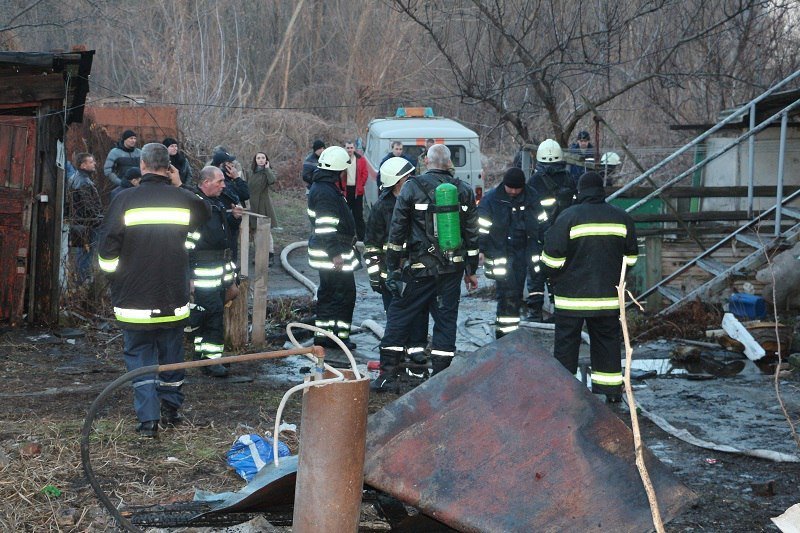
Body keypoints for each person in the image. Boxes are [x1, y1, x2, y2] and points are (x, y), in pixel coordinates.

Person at [97, 143, 210, 438]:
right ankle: (171, 409)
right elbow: (205, 211)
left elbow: (107, 248)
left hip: (134, 298)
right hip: (172, 296)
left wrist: (115, 278)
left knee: (140, 355)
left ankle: (148, 420)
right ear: (168, 167)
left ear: (143, 165)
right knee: (172, 352)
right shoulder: (184, 199)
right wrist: (181, 184)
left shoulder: (124, 199)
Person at [372, 144, 480, 392]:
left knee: (399, 317)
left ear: (427, 162)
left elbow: (397, 230)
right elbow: (472, 234)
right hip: (451, 271)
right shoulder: (463, 190)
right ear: (449, 163)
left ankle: (387, 376)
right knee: (445, 321)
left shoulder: (412, 187)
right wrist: (470, 271)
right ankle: (441, 380)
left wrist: (392, 269)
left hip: (418, 270)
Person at [541, 171, 638, 403]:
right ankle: (611, 392)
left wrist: (555, 277)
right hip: (608, 298)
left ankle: (564, 391)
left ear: (580, 191)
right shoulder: (622, 218)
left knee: (566, 346)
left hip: (571, 299)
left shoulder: (568, 217)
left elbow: (551, 259)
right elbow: (631, 258)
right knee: (607, 344)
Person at [364, 157, 430, 369]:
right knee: (394, 314)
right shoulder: (381, 208)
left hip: (416, 270)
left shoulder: (418, 202)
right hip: (390, 274)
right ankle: (396, 350)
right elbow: (372, 246)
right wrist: (375, 276)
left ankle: (416, 349)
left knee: (419, 311)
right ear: (397, 181)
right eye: (407, 177)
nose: (411, 179)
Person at [478, 167, 547, 338]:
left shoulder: (532, 197)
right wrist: (481, 250)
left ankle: (511, 331)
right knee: (506, 294)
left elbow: (543, 223)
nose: (514, 192)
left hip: (524, 252)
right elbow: (481, 228)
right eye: (511, 188)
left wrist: (544, 244)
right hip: (501, 252)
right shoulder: (492, 200)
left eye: (518, 188)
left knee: (516, 292)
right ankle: (504, 334)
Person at [186, 166, 242, 378]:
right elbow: (189, 244)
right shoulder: (197, 206)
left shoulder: (215, 203)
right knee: (213, 314)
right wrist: (190, 275)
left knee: (207, 314)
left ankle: (202, 355)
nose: (223, 185)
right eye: (219, 181)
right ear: (206, 182)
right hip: (204, 274)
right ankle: (212, 360)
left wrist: (233, 220)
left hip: (219, 271)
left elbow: (218, 236)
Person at [307, 146, 360, 348]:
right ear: (337, 169)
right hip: (333, 251)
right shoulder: (326, 192)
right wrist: (335, 254)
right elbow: (326, 226)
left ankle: (325, 335)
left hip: (329, 250)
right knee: (344, 294)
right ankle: (338, 337)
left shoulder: (323, 188)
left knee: (329, 293)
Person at [526, 138, 575, 321]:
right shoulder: (569, 178)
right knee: (560, 273)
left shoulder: (534, 181)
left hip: (540, 236)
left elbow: (530, 210)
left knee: (536, 274)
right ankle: (560, 311)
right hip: (565, 235)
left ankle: (535, 312)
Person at [66, 152, 104, 283]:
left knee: (81, 254)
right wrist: (98, 219)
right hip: (88, 224)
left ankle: (80, 281)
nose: (94, 164)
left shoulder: (74, 177)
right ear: (83, 165)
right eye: (91, 161)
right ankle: (84, 283)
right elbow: (89, 207)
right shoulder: (84, 182)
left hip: (79, 223)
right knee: (86, 254)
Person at [212, 150, 249, 261]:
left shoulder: (229, 180)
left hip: (230, 223)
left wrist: (236, 178)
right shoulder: (223, 183)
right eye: (229, 163)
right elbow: (244, 194)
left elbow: (245, 195)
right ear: (221, 165)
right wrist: (237, 178)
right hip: (224, 224)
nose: (232, 165)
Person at [248, 151, 279, 266]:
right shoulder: (251, 173)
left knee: (266, 231)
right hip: (252, 205)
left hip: (264, 205)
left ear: (266, 159)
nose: (260, 159)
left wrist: (267, 169)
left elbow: (272, 181)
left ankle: (270, 255)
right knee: (255, 231)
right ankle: (259, 255)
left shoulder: (267, 172)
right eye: (258, 158)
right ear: (255, 160)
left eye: (263, 157)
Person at [339, 141, 369, 242]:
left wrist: (361, 186)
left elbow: (365, 174)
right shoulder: (341, 160)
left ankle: (362, 238)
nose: (349, 150)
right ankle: (344, 235)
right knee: (344, 215)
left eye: (351, 148)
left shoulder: (361, 159)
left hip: (357, 192)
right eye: (348, 148)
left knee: (358, 216)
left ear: (354, 148)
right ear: (345, 148)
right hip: (345, 191)